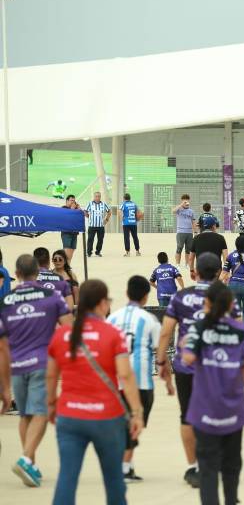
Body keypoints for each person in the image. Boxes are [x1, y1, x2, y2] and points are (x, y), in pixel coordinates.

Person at [46, 279, 144, 504]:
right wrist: (136, 412)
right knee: (113, 480)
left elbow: (51, 375)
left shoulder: (62, 336)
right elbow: (126, 376)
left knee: (67, 477)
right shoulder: (112, 334)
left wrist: (51, 404)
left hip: (70, 415)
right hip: (106, 417)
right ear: (102, 304)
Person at [156, 254, 233, 488]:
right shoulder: (224, 297)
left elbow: (166, 332)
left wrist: (161, 362)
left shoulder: (182, 297)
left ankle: (193, 466)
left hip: (186, 367)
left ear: (194, 272)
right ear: (219, 272)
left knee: (187, 416)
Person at [181, 282, 244, 504]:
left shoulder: (198, 328)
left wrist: (187, 344)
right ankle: (231, 499)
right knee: (232, 463)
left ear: (206, 303)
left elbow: (187, 358)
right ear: (230, 305)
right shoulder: (241, 330)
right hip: (233, 408)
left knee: (207, 467)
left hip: (204, 407)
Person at [0, 255, 72, 487]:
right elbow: (69, 328)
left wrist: (5, 386)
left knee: (25, 415)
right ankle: (25, 458)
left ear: (17, 274)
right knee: (40, 411)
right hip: (43, 362)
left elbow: (2, 346)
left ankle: (29, 461)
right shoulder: (52, 297)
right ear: (37, 273)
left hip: (16, 366)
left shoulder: (6, 301)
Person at [107, 276, 163, 482]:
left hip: (115, 380)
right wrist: (165, 372)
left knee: (122, 423)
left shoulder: (112, 318)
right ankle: (124, 465)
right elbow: (160, 350)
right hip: (141, 380)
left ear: (127, 293)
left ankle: (124, 464)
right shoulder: (149, 320)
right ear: (146, 296)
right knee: (136, 422)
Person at [84, 191, 111, 257]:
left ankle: (98, 252)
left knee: (100, 239)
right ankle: (89, 252)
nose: (97, 198)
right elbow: (85, 211)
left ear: (100, 197)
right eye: (96, 196)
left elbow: (109, 212)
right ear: (94, 197)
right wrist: (88, 216)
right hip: (92, 225)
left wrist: (106, 219)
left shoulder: (103, 204)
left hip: (101, 226)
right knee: (90, 239)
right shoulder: (90, 204)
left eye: (99, 196)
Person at [173, 194, 196, 267]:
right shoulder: (179, 210)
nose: (186, 202)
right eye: (184, 200)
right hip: (180, 232)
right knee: (179, 248)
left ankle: (187, 264)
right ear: (182, 201)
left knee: (188, 249)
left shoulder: (191, 211)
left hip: (189, 232)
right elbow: (173, 211)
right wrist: (181, 205)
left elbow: (193, 221)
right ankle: (177, 264)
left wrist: (195, 231)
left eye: (187, 200)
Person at [60, 195, 82, 261]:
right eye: (71, 200)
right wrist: (72, 209)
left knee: (71, 251)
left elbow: (81, 217)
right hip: (66, 233)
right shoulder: (63, 208)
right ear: (67, 201)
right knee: (66, 251)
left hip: (74, 233)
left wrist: (79, 209)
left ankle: (68, 266)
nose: (73, 202)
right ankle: (65, 266)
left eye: (74, 201)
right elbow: (66, 218)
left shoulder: (75, 210)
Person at [119, 193, 142, 257]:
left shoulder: (123, 204)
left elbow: (120, 211)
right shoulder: (134, 204)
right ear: (130, 198)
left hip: (126, 223)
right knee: (135, 237)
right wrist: (137, 219)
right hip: (133, 223)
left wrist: (122, 218)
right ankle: (137, 251)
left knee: (126, 237)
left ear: (124, 198)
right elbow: (139, 213)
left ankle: (127, 252)